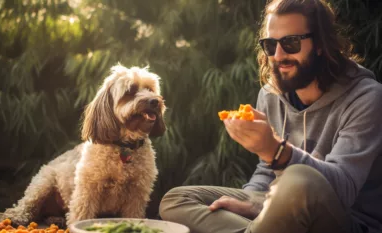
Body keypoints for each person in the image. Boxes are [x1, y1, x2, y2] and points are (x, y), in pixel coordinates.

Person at [158, 0, 382, 233]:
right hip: (279, 210)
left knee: (301, 179)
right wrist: (248, 203)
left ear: (320, 44)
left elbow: (343, 189)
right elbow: (266, 171)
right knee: (177, 200)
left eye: (291, 43)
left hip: (346, 222)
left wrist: (275, 151)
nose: (278, 55)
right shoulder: (270, 94)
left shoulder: (366, 98)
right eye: (270, 45)